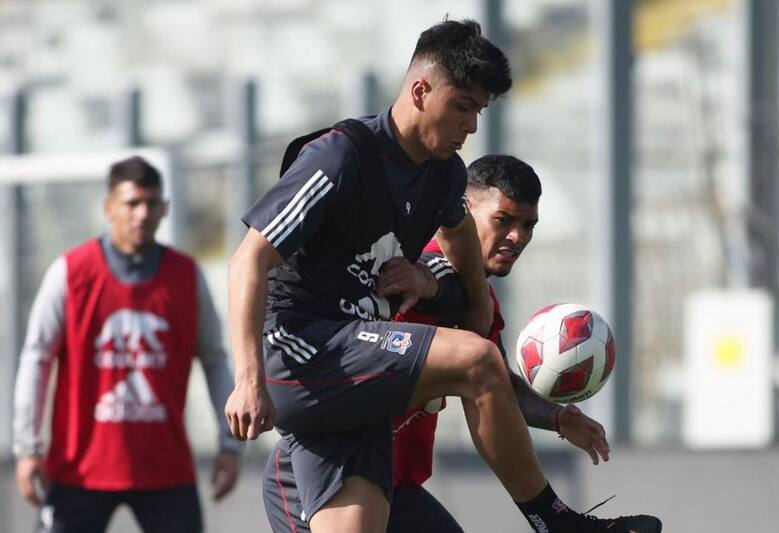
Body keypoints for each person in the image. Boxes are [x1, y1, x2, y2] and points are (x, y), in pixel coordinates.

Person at [226, 19, 659, 533]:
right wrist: (248, 380)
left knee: (479, 362)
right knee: (476, 359)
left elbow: (456, 231)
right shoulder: (342, 157)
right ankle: (555, 521)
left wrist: (476, 299)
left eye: (479, 111)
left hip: (351, 419)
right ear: (420, 90)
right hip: (298, 350)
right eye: (463, 106)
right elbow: (248, 260)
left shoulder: (445, 174)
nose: (471, 125)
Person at [386, 155, 620, 532]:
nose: (518, 237)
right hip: (335, 476)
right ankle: (553, 520)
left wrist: (558, 417)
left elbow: (494, 382)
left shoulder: (480, 301)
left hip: (397, 488)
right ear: (464, 212)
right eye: (503, 220)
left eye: (528, 225)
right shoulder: (417, 272)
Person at [13, 155, 243, 533]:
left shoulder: (186, 277)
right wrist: (27, 447)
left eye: (151, 204)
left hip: (164, 469)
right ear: (108, 208)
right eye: (131, 203)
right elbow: (36, 358)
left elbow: (215, 360)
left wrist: (230, 445)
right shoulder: (71, 272)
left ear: (164, 208)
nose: (141, 214)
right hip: (79, 470)